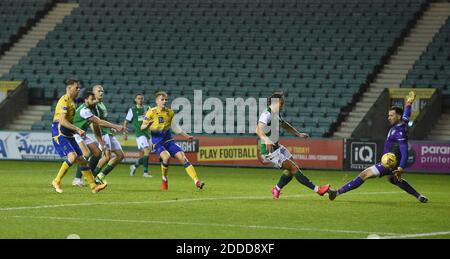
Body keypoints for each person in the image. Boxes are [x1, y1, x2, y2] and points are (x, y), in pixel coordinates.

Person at [329, 91, 428, 203]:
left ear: (398, 116)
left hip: (389, 162)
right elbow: (407, 114)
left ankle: (336, 192)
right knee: (394, 180)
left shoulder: (399, 132)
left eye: (391, 115)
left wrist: (401, 167)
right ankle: (419, 196)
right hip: (392, 163)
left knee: (364, 174)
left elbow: (404, 151)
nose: (389, 118)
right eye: (388, 115)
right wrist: (409, 103)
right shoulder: (403, 122)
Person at [255, 91, 332, 200]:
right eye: (281, 103)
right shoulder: (266, 114)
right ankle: (318, 190)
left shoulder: (276, 114)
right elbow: (258, 129)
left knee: (292, 168)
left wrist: (298, 134)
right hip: (269, 150)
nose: (282, 106)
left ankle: (276, 189)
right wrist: (266, 139)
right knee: (293, 168)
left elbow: (285, 125)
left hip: (277, 147)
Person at [50, 79, 107, 194]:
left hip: (68, 132)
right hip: (59, 131)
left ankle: (93, 187)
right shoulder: (64, 100)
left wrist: (75, 131)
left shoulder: (72, 101)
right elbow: (62, 120)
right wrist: (77, 129)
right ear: (69, 88)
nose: (78, 89)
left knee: (82, 160)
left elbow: (69, 121)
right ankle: (56, 181)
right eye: (76, 87)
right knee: (73, 156)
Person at [141, 91, 205, 190]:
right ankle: (164, 178)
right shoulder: (151, 112)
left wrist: (186, 136)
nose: (164, 101)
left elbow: (175, 127)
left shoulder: (170, 112)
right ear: (157, 101)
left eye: (166, 100)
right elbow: (142, 127)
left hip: (168, 140)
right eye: (162, 99)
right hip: (157, 142)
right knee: (166, 157)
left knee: (183, 158)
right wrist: (147, 125)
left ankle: (197, 181)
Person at [71, 91, 127, 186]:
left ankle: (91, 176)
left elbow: (97, 125)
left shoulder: (94, 108)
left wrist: (101, 142)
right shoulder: (84, 110)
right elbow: (99, 122)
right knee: (86, 154)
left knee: (97, 152)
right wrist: (116, 126)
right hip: (74, 133)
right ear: (85, 100)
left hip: (82, 133)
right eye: (92, 99)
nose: (94, 101)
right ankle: (77, 179)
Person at [91, 85, 125, 184]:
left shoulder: (102, 104)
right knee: (106, 156)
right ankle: (92, 177)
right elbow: (95, 122)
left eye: (102, 91)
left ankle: (101, 175)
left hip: (108, 132)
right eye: (99, 91)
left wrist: (111, 128)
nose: (101, 92)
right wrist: (99, 137)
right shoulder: (95, 105)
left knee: (120, 155)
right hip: (102, 133)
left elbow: (104, 120)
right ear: (94, 93)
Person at [124, 93, 153, 177]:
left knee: (147, 153)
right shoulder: (132, 110)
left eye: (142, 98)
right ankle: (145, 172)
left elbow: (153, 117)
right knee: (146, 151)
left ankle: (134, 166)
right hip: (139, 134)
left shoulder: (147, 108)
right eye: (138, 98)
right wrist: (125, 133)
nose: (140, 100)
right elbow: (126, 122)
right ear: (135, 100)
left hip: (147, 133)